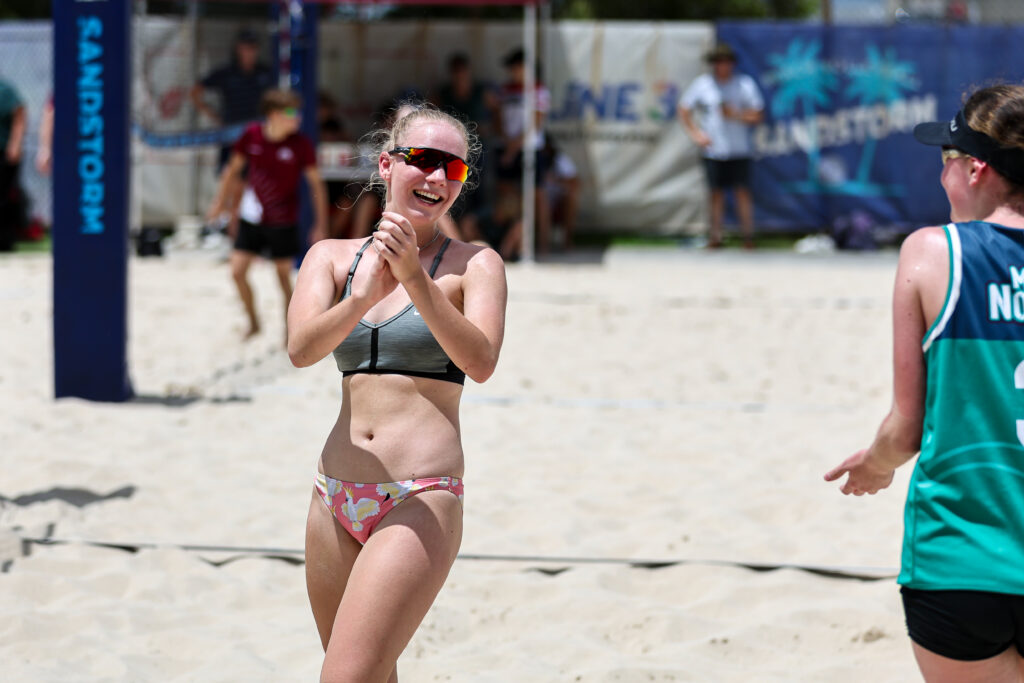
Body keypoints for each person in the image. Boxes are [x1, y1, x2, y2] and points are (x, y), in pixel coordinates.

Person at [286, 102, 507, 682]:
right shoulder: (330, 258)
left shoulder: (475, 263)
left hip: (420, 493)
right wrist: (358, 299)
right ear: (387, 164)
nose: (436, 177)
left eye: (453, 169)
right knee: (371, 675)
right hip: (333, 494)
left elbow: (480, 361)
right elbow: (301, 350)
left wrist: (414, 277)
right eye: (424, 160)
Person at [825, 84, 1024, 682]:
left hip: (961, 557)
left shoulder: (931, 254)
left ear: (975, 168)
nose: (942, 181)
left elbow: (907, 428)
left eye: (945, 165)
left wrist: (878, 464)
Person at [206, 89, 327, 341]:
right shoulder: (252, 135)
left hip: (283, 220)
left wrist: (320, 224)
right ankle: (253, 323)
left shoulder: (301, 144)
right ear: (273, 114)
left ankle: (290, 332)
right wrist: (221, 202)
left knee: (283, 278)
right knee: (237, 272)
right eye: (291, 112)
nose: (298, 118)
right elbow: (232, 171)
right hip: (252, 216)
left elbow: (317, 185)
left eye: (298, 112)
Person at [678, 42, 764, 249]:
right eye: (718, 62)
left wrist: (735, 114)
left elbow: (758, 114)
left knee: (742, 192)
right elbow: (683, 109)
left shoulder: (744, 84)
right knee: (715, 193)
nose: (722, 66)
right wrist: (696, 134)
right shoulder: (703, 84)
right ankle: (715, 237)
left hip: (739, 148)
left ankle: (747, 237)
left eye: (725, 62)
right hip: (713, 149)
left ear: (732, 64)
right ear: (713, 64)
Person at [192, 29, 275, 235]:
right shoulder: (226, 73)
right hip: (231, 137)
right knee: (229, 183)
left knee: (243, 189)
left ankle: (234, 235)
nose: (250, 52)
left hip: (255, 137)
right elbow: (195, 92)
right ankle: (228, 230)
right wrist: (213, 115)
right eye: (246, 47)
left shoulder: (265, 74)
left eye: (253, 48)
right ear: (238, 49)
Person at [493, 47, 552, 259]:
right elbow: (497, 119)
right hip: (506, 147)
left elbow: (536, 124)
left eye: (515, 66)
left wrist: (513, 147)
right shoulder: (504, 89)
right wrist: (508, 145)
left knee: (538, 196)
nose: (512, 71)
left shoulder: (539, 90)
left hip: (530, 149)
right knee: (507, 195)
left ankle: (544, 244)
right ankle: (514, 243)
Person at [431, 52, 497, 244]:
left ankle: (474, 234)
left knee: (480, 193)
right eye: (456, 71)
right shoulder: (443, 93)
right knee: (454, 193)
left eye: (463, 71)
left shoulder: (481, 91)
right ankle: (456, 237)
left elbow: (497, 112)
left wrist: (491, 129)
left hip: (479, 151)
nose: (460, 75)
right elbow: (432, 114)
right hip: (453, 153)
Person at [0, 77, 25, 252]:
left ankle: (4, 240)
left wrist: (15, 145)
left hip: (3, 151)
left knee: (4, 197)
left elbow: (20, 114)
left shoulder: (5, 90)